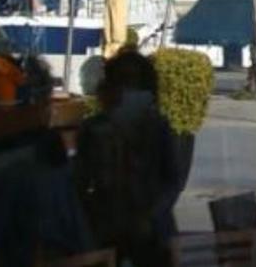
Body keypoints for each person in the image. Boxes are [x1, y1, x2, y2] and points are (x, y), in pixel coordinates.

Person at [74, 47, 179, 266]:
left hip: (152, 234)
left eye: (135, 84)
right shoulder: (94, 130)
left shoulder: (157, 127)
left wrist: (151, 215)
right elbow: (81, 184)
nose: (130, 91)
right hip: (107, 233)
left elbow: (172, 181)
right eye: (124, 83)